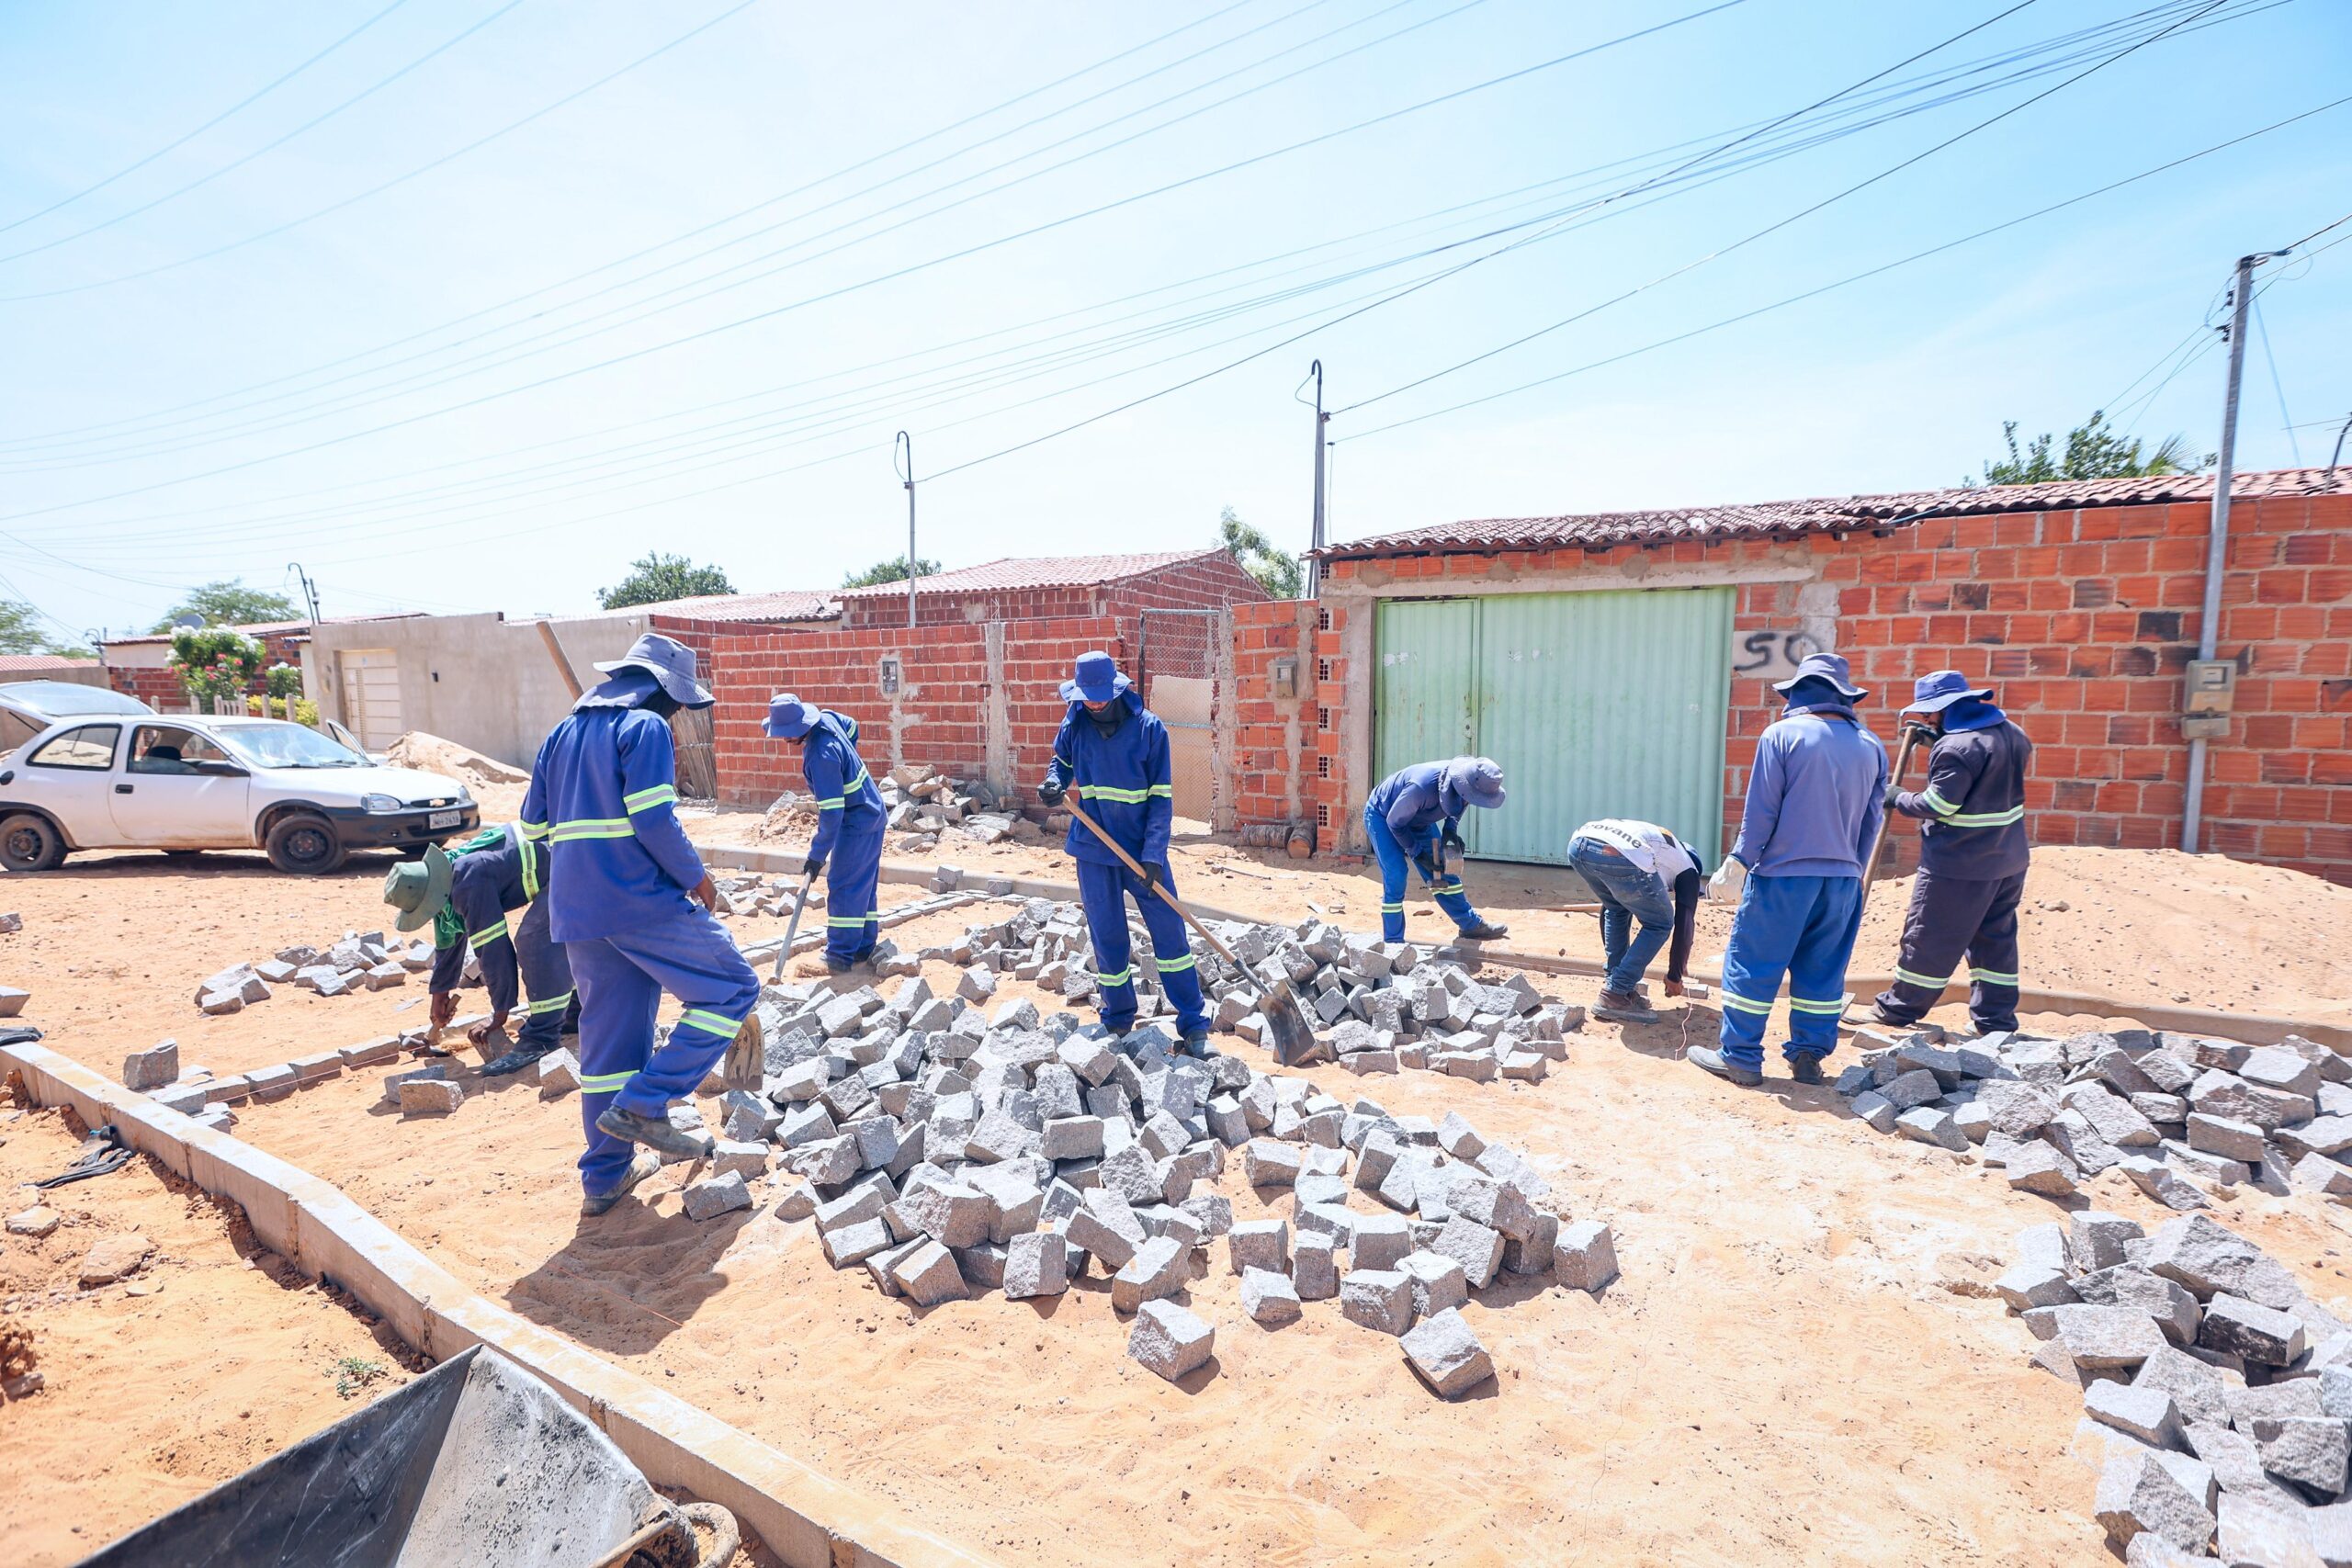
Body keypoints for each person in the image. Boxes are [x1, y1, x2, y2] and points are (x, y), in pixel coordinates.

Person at [520, 632, 760, 1217]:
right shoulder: (645, 728)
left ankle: (604, 1178)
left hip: (577, 910)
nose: (677, 715)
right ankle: (649, 1103)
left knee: (609, 1044)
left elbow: (532, 827)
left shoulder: (562, 733)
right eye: (678, 704)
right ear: (662, 691)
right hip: (638, 900)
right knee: (732, 989)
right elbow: (653, 819)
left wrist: (584, 871)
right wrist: (697, 880)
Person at [1689, 652, 1888, 1088]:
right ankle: (1808, 1059)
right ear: (1843, 697)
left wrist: (1739, 861)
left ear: (1797, 693)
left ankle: (1740, 1057)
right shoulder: (1872, 745)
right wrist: (1849, 870)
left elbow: (1762, 810)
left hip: (1783, 878)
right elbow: (1873, 822)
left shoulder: (1781, 735)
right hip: (1842, 881)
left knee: (1753, 965)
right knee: (1823, 971)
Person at [1037, 650, 1211, 1055]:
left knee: (1170, 934)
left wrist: (1153, 854)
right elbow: (1059, 766)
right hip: (1095, 848)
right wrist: (1052, 785)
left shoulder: (1150, 730)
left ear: (1115, 689)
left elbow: (1161, 799)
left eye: (1099, 695)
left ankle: (1194, 1023)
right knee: (1108, 936)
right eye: (1087, 696)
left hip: (1140, 852)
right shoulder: (1075, 725)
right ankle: (1117, 1018)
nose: (1094, 703)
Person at [1868, 671, 2033, 1036]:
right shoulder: (2013, 734)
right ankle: (1996, 1022)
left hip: (1959, 865)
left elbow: (1939, 803)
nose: (1925, 720)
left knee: (1929, 937)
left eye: (1930, 714)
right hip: (2008, 859)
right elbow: (1983, 769)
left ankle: (1898, 1009)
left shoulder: (1954, 749)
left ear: (1946, 709)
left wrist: (1899, 797)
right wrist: (1941, 739)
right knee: (1995, 941)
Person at [383, 826, 575, 1077]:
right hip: (565, 857)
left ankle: (542, 1038)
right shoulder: (447, 875)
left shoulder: (469, 880)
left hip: (573, 861)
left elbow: (493, 948)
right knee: (552, 936)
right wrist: (439, 993)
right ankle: (573, 1013)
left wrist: (499, 1014)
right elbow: (449, 938)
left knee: (535, 941)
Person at [763, 694, 886, 974]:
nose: (783, 741)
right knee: (862, 884)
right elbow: (852, 726)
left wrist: (816, 856)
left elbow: (832, 814)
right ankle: (863, 947)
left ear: (799, 729)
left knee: (844, 885)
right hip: (871, 810)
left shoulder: (822, 755)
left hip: (858, 820)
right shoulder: (828, 718)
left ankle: (839, 956)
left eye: (785, 735)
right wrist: (849, 761)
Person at [1566, 819, 1702, 1024]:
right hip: (1619, 853)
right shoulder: (1689, 870)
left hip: (1578, 845)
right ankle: (1615, 994)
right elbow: (1685, 925)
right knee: (1660, 923)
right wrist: (1675, 976)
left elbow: (1608, 912)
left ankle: (1618, 988)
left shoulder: (1663, 846)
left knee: (1616, 908)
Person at [1362, 759, 1510, 945]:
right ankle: (1393, 942)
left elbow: (1461, 804)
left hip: (1419, 817)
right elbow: (1395, 822)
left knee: (1444, 868)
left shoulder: (1466, 781)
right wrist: (1417, 852)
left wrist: (1450, 830)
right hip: (1383, 816)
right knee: (1396, 874)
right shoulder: (1420, 789)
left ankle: (1470, 925)